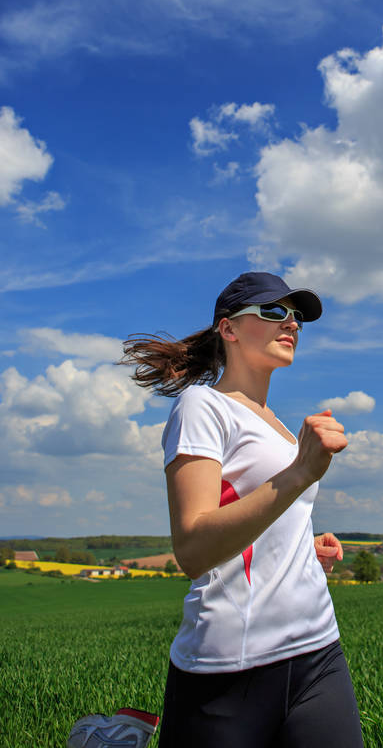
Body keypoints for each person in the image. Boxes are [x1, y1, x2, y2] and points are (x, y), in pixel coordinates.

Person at [122, 271, 364, 748]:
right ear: (229, 329)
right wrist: (300, 472)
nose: (291, 323)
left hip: (319, 649)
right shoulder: (202, 406)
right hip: (231, 665)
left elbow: (256, 518)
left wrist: (300, 547)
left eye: (296, 316)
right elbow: (193, 548)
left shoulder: (276, 423)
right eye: (274, 312)